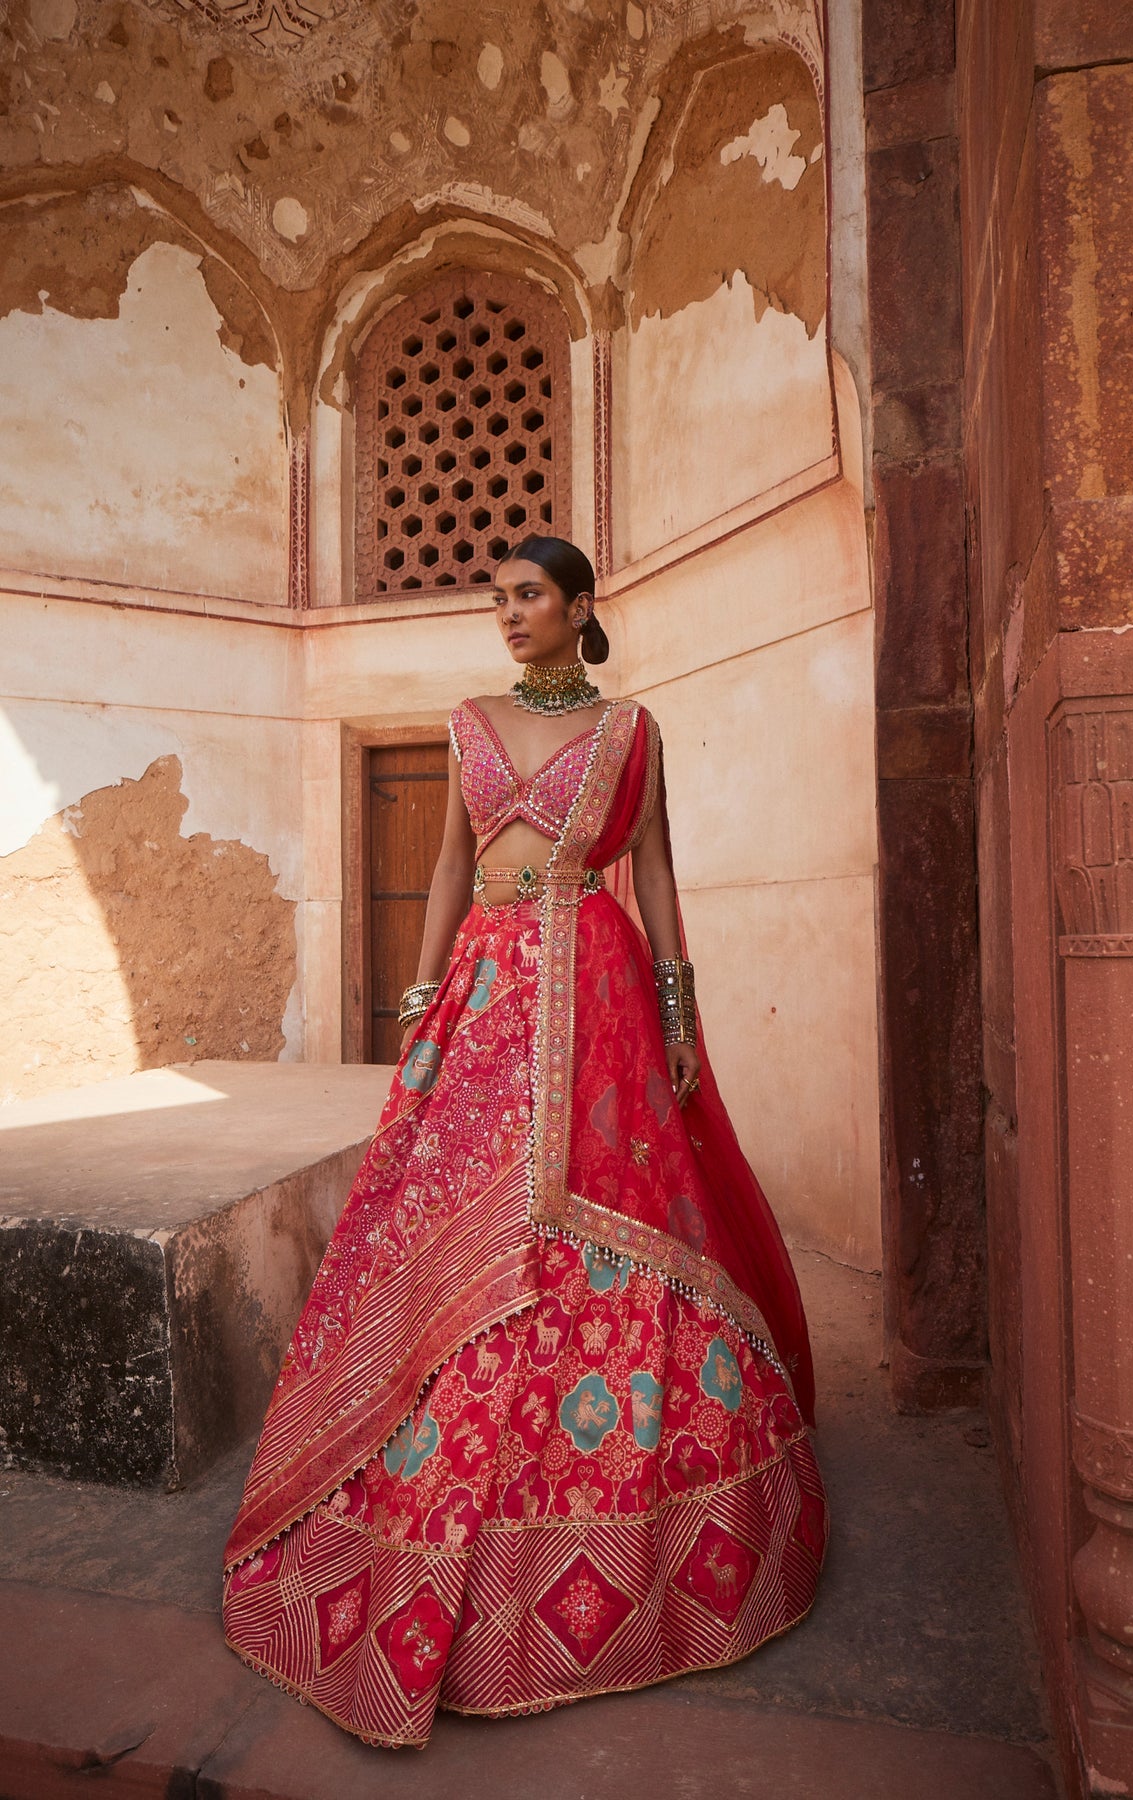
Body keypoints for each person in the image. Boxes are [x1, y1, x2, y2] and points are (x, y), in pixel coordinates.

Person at [222, 535, 829, 1746]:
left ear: (579, 607)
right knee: (434, 1216)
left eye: (530, 595)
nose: (508, 614)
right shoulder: (467, 721)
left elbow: (654, 872)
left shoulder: (630, 732)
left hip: (597, 987)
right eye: (498, 598)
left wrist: (677, 1013)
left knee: (601, 1214)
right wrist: (419, 1002)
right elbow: (451, 862)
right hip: (485, 998)